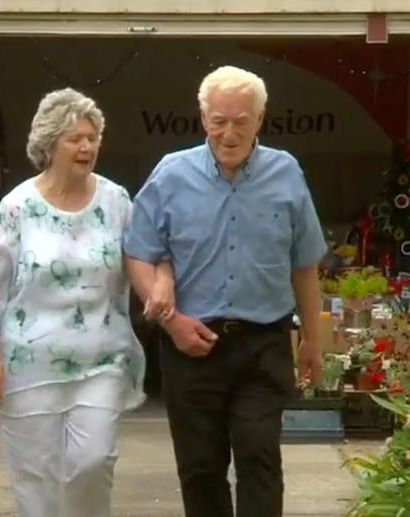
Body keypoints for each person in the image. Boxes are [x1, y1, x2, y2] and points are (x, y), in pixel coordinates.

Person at [123, 65, 327, 517]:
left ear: (260, 119)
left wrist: (312, 339)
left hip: (263, 344)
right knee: (200, 467)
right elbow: (137, 251)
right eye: (219, 120)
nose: (229, 133)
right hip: (191, 345)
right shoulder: (171, 174)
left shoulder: (286, 172)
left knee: (259, 455)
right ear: (203, 118)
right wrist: (169, 322)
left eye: (240, 121)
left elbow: (304, 263)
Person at [0, 87, 174, 517]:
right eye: (75, 138)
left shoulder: (115, 201)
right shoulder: (18, 207)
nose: (87, 146)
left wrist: (161, 284)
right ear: (48, 145)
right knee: (35, 483)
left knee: (92, 462)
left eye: (92, 137)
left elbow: (146, 253)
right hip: (27, 366)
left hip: (100, 360)